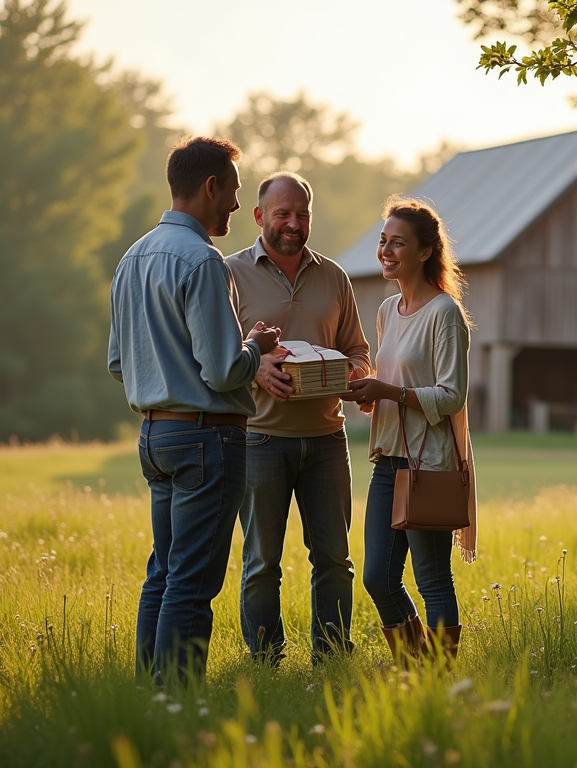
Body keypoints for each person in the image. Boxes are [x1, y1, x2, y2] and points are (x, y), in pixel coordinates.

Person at [107, 136, 281, 683]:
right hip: (209, 440)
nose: (235, 204)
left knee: (164, 569)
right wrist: (258, 347)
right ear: (211, 187)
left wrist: (166, 374)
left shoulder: (133, 256)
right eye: (232, 191)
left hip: (155, 437)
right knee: (193, 578)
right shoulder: (204, 260)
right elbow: (226, 371)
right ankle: (177, 697)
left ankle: (150, 691)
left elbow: (119, 361)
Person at [226, 171, 371, 665]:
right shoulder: (228, 272)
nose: (293, 223)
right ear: (259, 215)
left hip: (328, 441)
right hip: (259, 440)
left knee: (334, 559)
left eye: (302, 214)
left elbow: (358, 350)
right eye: (283, 213)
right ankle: (265, 660)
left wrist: (351, 374)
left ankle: (331, 657)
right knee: (262, 562)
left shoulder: (334, 276)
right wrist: (256, 369)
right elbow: (213, 359)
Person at [346, 195, 477, 661]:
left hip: (431, 463)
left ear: (424, 252)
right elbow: (398, 383)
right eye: (383, 241)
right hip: (388, 461)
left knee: (431, 578)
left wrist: (389, 393)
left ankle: (438, 675)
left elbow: (451, 396)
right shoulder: (386, 311)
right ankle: (413, 662)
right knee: (378, 576)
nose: (386, 251)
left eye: (397, 243)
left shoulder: (444, 314)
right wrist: (369, 394)